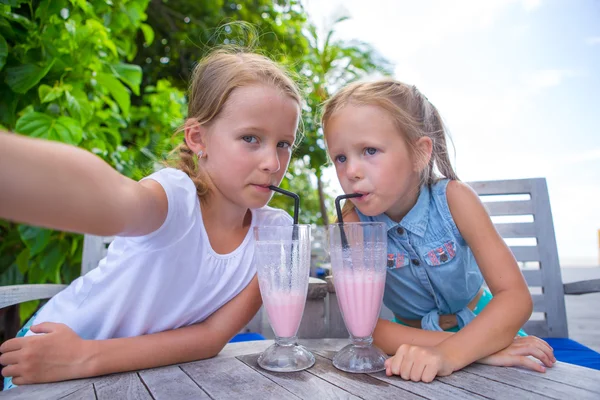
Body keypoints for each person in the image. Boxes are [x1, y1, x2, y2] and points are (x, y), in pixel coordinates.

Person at [0, 49, 301, 388]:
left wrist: (86, 357)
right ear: (198, 138)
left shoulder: (274, 232)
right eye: (251, 138)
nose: (273, 163)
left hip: (116, 368)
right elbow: (111, 197)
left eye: (284, 144)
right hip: (48, 352)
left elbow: (211, 336)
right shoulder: (174, 198)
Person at [322, 79, 555, 382]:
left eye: (369, 150)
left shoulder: (455, 199)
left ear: (420, 153)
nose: (351, 171)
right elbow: (366, 328)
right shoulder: (352, 224)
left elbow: (515, 298)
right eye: (340, 158)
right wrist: (470, 351)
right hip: (412, 346)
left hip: (490, 329)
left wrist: (458, 351)